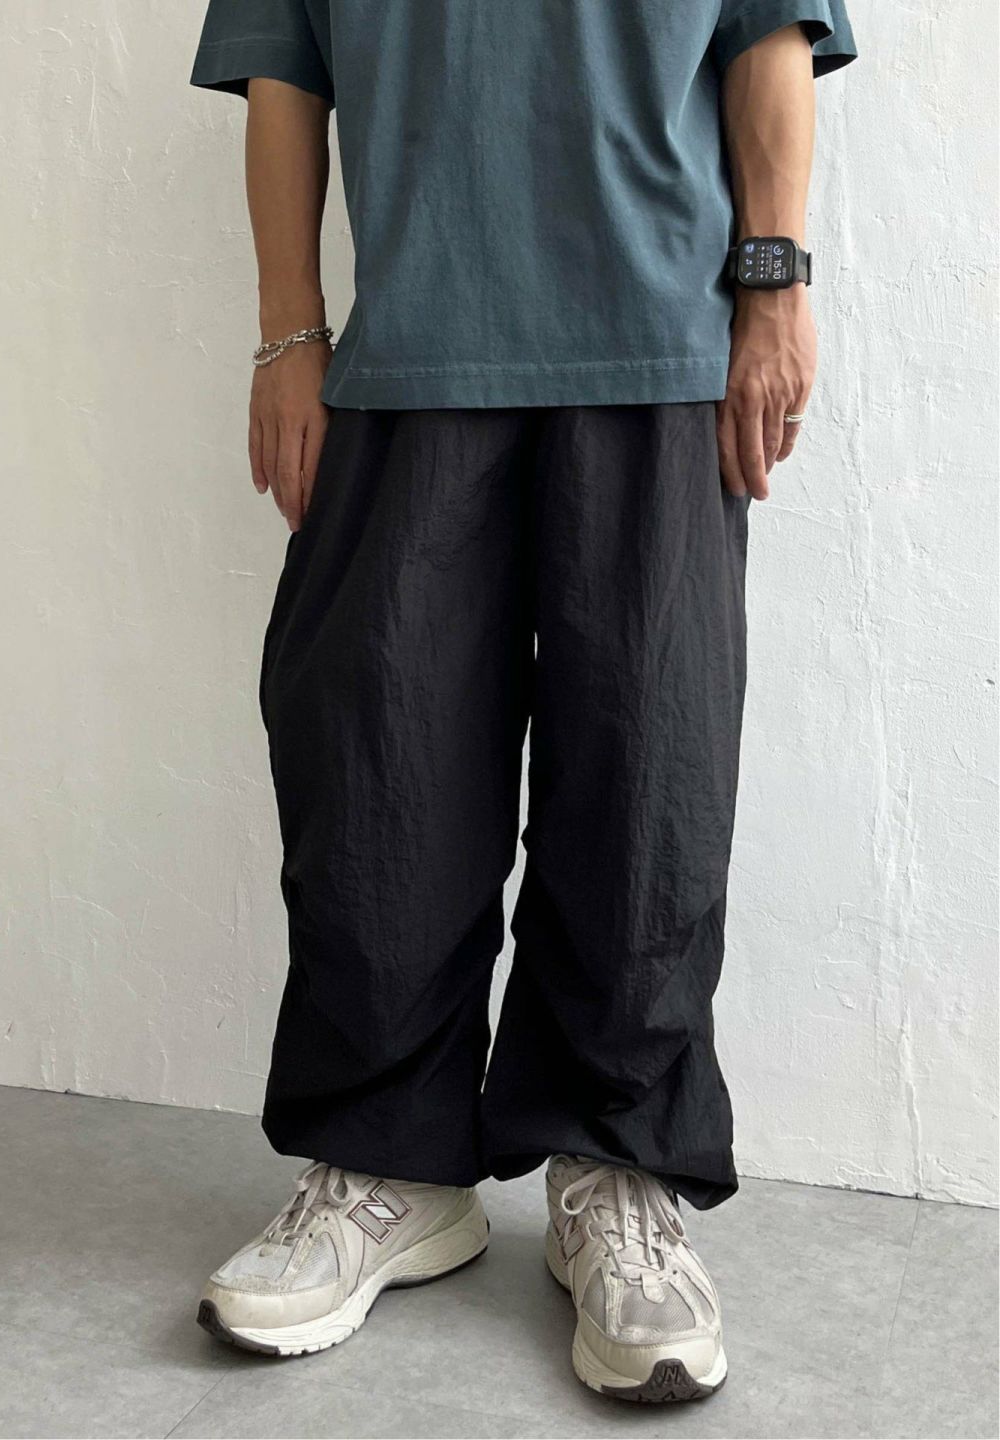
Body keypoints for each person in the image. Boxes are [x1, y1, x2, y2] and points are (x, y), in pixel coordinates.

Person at [188, 0, 855, 1405]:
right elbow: (281, 58)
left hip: (663, 345)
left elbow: (768, 32)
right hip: (407, 349)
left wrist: (775, 282)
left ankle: (616, 1169)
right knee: (372, 768)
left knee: (650, 780)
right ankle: (387, 1160)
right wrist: (286, 329)